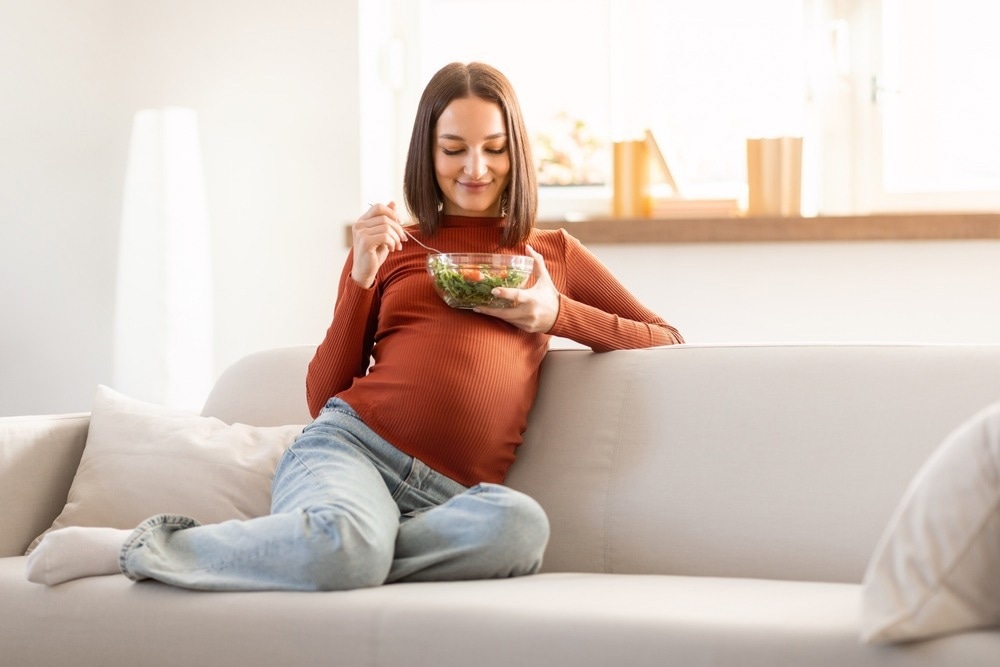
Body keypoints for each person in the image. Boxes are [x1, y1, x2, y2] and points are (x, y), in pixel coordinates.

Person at [25, 61, 684, 590]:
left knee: (520, 529)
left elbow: (667, 341)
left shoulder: (551, 256)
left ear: (518, 154)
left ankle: (322, 544)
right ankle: (143, 546)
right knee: (348, 543)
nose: (475, 169)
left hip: (452, 496)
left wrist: (556, 314)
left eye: (493, 149)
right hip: (350, 451)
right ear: (428, 152)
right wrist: (362, 276)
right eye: (453, 148)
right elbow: (323, 394)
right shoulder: (393, 246)